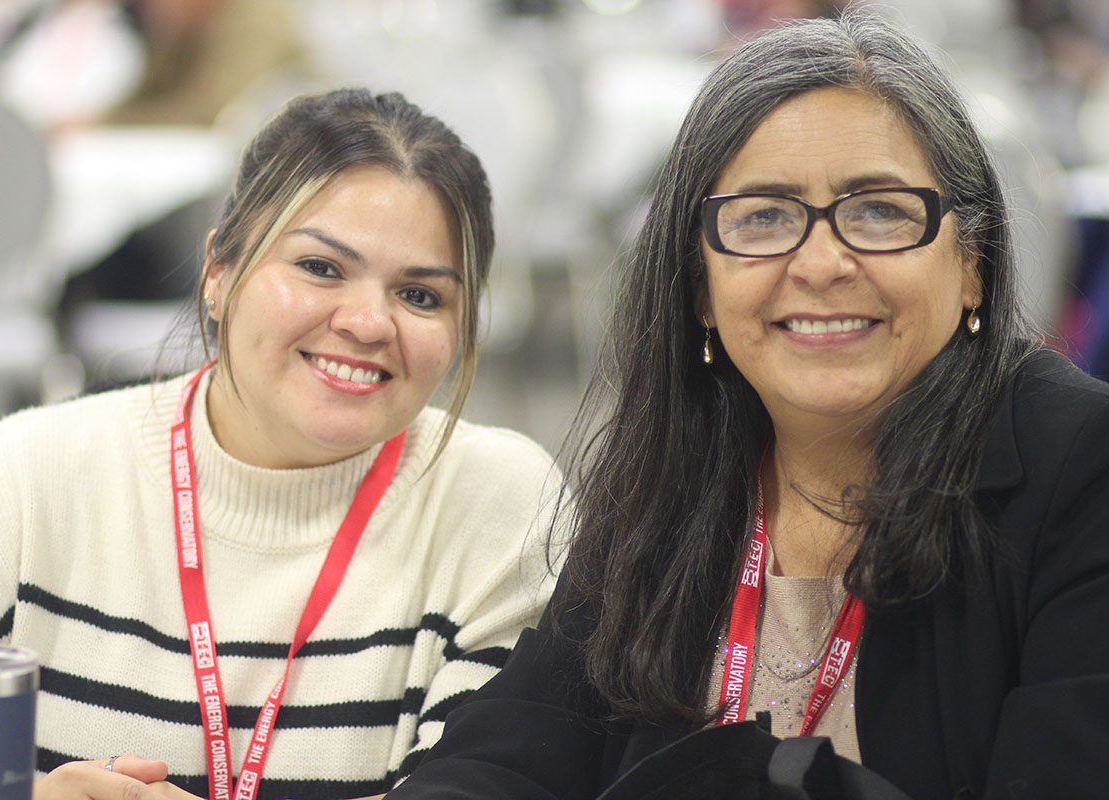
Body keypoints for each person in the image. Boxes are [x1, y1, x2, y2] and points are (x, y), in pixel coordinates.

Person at [385, 11, 1109, 800]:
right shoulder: (673, 479)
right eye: (764, 217)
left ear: (971, 264)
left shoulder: (1081, 468)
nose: (824, 261)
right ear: (700, 287)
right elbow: (505, 756)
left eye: (879, 211)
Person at [0, 88, 561, 800]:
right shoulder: (33, 479)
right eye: (321, 267)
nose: (370, 322)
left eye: (421, 296)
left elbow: (493, 786)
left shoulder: (499, 504)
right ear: (218, 274)